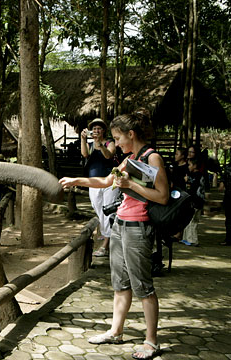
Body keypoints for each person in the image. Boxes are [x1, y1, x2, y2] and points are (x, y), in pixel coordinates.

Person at [60, 109, 168, 360]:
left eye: (118, 138)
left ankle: (151, 341)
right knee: (120, 283)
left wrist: (130, 185)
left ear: (131, 134)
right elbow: (107, 181)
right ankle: (115, 331)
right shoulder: (129, 158)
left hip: (138, 228)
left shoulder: (152, 159)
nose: (115, 143)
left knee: (142, 285)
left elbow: (162, 196)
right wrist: (77, 180)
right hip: (120, 225)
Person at [80, 118, 120, 257]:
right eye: (94, 129)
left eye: (99, 129)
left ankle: (105, 245)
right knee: (97, 207)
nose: (96, 131)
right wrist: (83, 139)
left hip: (110, 181)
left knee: (108, 209)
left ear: (104, 131)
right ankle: (107, 234)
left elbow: (109, 155)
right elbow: (84, 154)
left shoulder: (110, 143)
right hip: (94, 181)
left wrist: (99, 144)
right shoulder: (90, 144)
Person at [180, 158, 206, 246]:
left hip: (195, 202)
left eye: (190, 165)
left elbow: (194, 187)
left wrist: (188, 181)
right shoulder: (197, 175)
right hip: (197, 202)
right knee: (189, 221)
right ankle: (186, 238)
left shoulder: (197, 176)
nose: (188, 166)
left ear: (195, 166)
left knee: (192, 221)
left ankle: (192, 240)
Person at [219, 161, 231, 246]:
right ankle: (228, 239)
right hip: (229, 195)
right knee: (229, 219)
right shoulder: (228, 167)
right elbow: (222, 183)